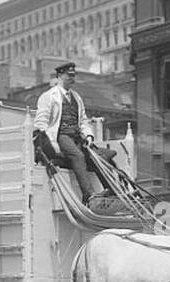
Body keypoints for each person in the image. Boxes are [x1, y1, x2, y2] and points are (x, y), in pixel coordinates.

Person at [31, 62, 117, 206]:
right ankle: (88, 195)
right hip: (60, 136)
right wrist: (52, 145)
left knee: (100, 156)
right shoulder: (49, 96)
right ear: (59, 76)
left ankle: (111, 189)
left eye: (73, 75)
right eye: (69, 76)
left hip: (76, 137)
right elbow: (41, 123)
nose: (72, 78)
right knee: (78, 156)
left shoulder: (76, 97)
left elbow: (83, 120)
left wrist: (89, 136)